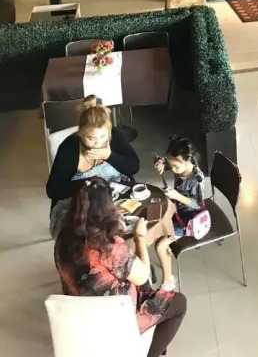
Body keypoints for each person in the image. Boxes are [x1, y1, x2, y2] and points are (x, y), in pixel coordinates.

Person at [54, 177, 187, 357]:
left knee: (143, 283)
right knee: (179, 303)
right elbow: (142, 274)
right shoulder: (107, 247)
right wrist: (139, 237)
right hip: (116, 320)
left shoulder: (62, 239)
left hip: (80, 314)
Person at [47, 96, 140, 238]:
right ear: (80, 133)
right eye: (91, 138)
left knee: (134, 224)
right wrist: (88, 185)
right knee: (91, 237)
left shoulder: (114, 135)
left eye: (103, 137)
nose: (98, 143)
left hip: (116, 198)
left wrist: (110, 156)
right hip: (79, 204)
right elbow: (53, 190)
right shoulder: (69, 148)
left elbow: (134, 166)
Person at [155, 136, 205, 237]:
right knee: (157, 217)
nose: (173, 169)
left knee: (162, 241)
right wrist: (161, 162)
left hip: (189, 217)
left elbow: (197, 204)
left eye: (176, 166)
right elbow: (168, 161)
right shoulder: (180, 165)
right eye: (171, 165)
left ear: (188, 160)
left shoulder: (196, 180)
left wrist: (177, 196)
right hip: (177, 207)